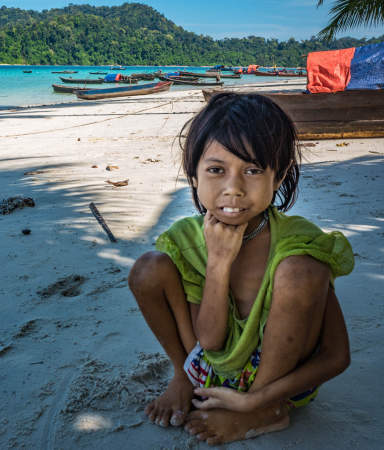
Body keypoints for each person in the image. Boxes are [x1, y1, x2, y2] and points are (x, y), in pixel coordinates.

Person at [128, 93, 354, 445]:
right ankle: (183, 376)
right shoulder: (186, 241)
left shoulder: (300, 246)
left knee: (300, 271)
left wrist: (256, 400)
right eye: (216, 170)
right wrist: (218, 262)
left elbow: (337, 355)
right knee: (147, 269)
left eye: (252, 170)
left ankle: (265, 411)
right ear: (194, 175)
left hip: (280, 382)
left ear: (277, 178)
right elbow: (211, 342)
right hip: (210, 366)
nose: (233, 189)